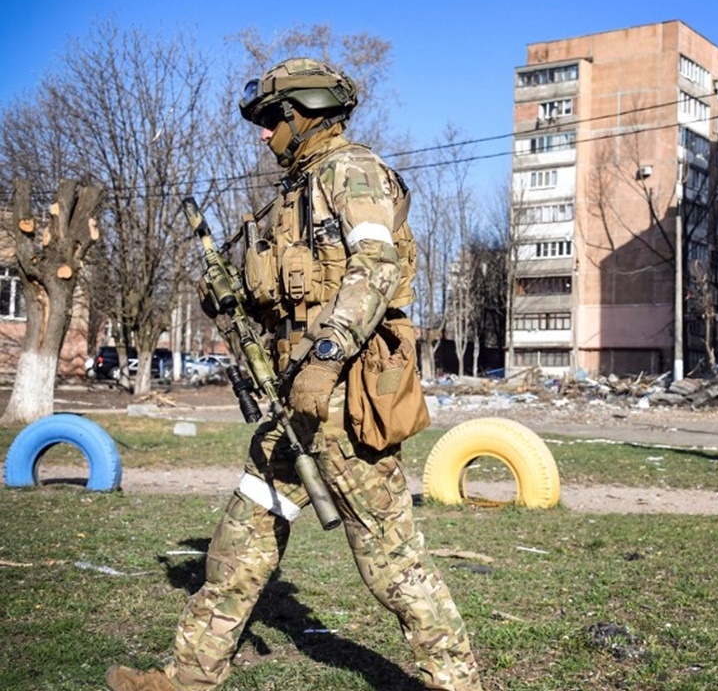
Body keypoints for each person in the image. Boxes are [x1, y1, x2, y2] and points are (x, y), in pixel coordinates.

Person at [106, 58, 483, 691]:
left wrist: (329, 355)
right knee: (239, 547)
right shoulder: (293, 196)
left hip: (341, 401)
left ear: (305, 115)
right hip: (290, 408)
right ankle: (188, 677)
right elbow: (287, 296)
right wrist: (229, 295)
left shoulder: (352, 174)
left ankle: (458, 683)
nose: (263, 135)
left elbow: (375, 269)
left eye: (272, 121)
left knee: (391, 563)